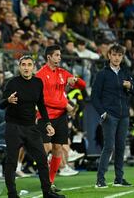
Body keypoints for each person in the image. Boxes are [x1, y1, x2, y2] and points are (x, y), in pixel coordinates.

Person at [0, 55, 64, 198]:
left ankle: (47, 192)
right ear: (19, 66)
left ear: (33, 67)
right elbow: (1, 104)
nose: (26, 67)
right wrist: (8, 100)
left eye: (29, 64)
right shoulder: (12, 83)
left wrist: (47, 123)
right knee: (11, 162)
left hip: (31, 127)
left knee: (42, 159)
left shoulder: (38, 83)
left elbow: (41, 104)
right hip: (13, 127)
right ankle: (12, 194)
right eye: (23, 64)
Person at [35, 45, 86, 185]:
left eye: (60, 55)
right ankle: (43, 176)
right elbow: (43, 99)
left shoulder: (63, 73)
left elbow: (83, 85)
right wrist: (65, 105)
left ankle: (50, 181)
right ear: (49, 57)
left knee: (58, 148)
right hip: (45, 117)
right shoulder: (40, 75)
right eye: (56, 55)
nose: (59, 57)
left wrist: (75, 80)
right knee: (45, 149)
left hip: (60, 117)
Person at [91, 44, 134, 188]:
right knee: (109, 147)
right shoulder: (102, 74)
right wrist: (103, 113)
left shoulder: (125, 72)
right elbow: (94, 97)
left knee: (121, 147)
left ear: (122, 57)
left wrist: (131, 87)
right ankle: (100, 179)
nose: (117, 58)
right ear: (109, 55)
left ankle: (119, 179)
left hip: (124, 116)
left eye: (119, 55)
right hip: (110, 115)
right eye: (114, 55)